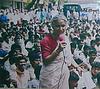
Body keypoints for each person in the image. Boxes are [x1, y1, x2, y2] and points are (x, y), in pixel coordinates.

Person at [39, 14, 79, 89]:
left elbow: (68, 57)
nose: (61, 29)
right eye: (57, 26)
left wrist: (77, 66)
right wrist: (58, 50)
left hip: (63, 74)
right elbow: (46, 61)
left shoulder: (65, 38)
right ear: (52, 26)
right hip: (50, 77)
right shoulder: (46, 40)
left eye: (63, 26)